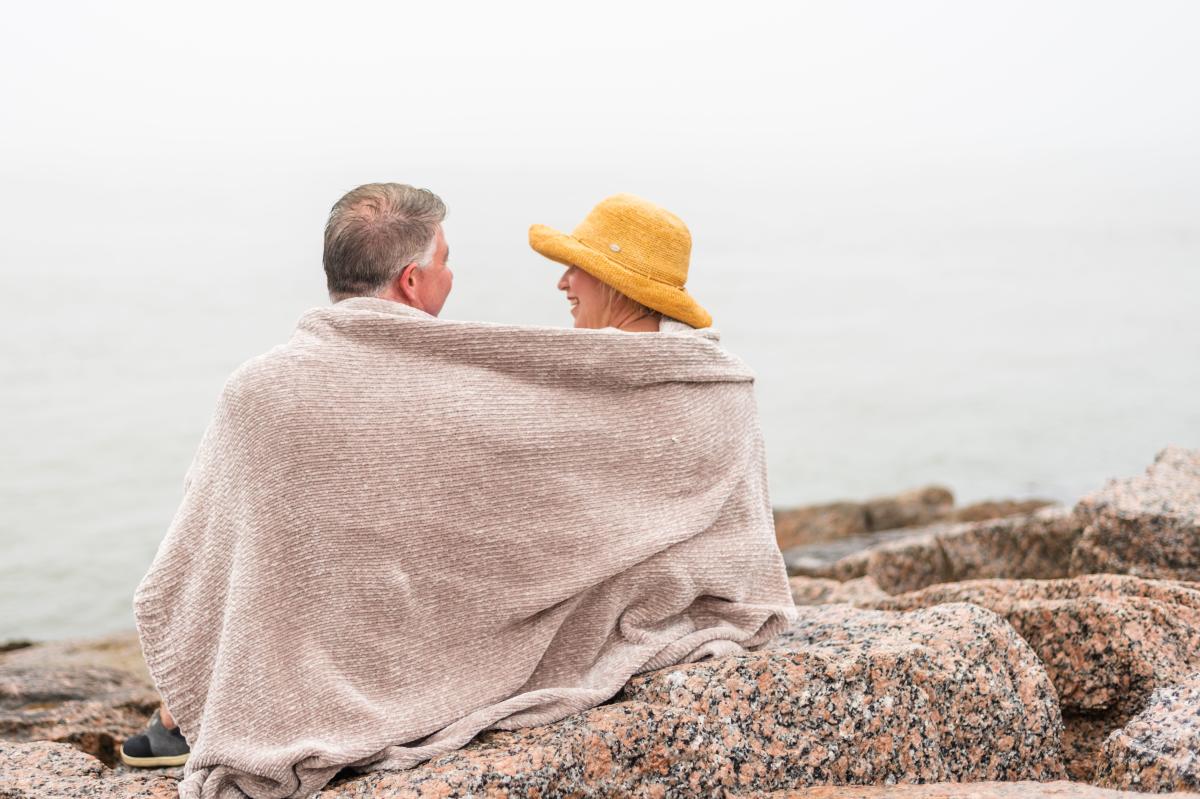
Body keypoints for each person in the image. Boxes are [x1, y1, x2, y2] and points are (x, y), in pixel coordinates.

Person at [120, 183, 454, 768]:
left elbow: (208, 536)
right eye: (446, 261)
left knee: (236, 527)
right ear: (410, 280)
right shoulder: (459, 386)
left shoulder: (259, 387)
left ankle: (187, 709)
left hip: (313, 640)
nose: (452, 275)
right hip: (414, 639)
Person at [528, 192, 712, 335]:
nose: (561, 283)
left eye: (578, 265)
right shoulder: (712, 369)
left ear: (614, 282)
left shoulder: (574, 374)